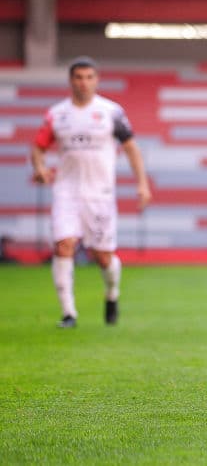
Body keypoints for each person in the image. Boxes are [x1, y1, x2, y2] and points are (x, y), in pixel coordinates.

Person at [30, 56, 152, 328]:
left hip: (100, 194)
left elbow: (131, 147)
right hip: (66, 191)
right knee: (64, 245)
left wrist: (142, 183)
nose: (83, 83)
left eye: (89, 77)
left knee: (102, 256)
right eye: (78, 77)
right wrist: (40, 168)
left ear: (96, 80)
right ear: (70, 81)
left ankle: (112, 294)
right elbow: (38, 147)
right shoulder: (57, 114)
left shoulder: (111, 112)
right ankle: (68, 313)